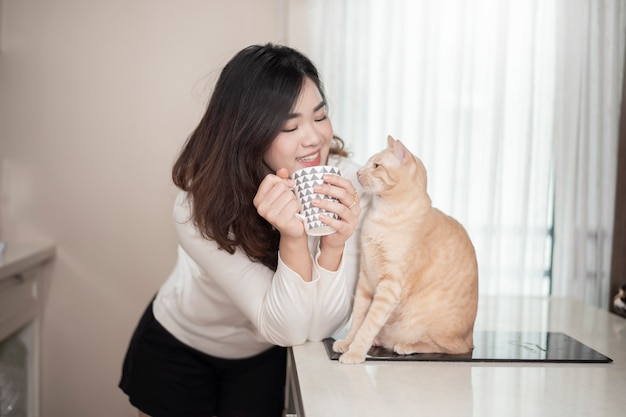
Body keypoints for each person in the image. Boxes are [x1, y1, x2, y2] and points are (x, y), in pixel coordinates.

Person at [119, 43, 369, 417]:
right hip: (180, 346)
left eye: (320, 117)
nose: (314, 138)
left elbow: (313, 330)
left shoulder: (344, 182)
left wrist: (332, 247)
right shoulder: (196, 208)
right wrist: (294, 239)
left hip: (261, 354)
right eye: (289, 126)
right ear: (247, 133)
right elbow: (284, 324)